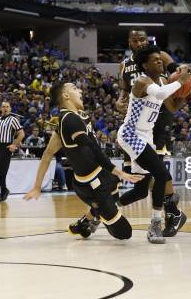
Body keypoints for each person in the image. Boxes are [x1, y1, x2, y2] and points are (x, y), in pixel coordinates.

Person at [24, 82, 142, 240]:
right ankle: (97, 212)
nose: (79, 90)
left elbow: (48, 153)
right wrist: (118, 171)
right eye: (74, 88)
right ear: (66, 96)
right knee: (124, 233)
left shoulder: (80, 116)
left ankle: (86, 222)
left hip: (102, 173)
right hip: (92, 183)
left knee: (114, 198)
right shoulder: (68, 120)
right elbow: (90, 147)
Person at [117, 44, 191, 244]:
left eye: (160, 58)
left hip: (146, 137)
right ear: (144, 64)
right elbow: (160, 95)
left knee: (142, 189)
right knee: (162, 175)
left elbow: (172, 105)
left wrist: (185, 92)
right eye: (155, 60)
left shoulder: (162, 81)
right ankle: (155, 225)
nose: (160, 61)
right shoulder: (142, 81)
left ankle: (107, 207)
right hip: (130, 134)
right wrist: (182, 79)